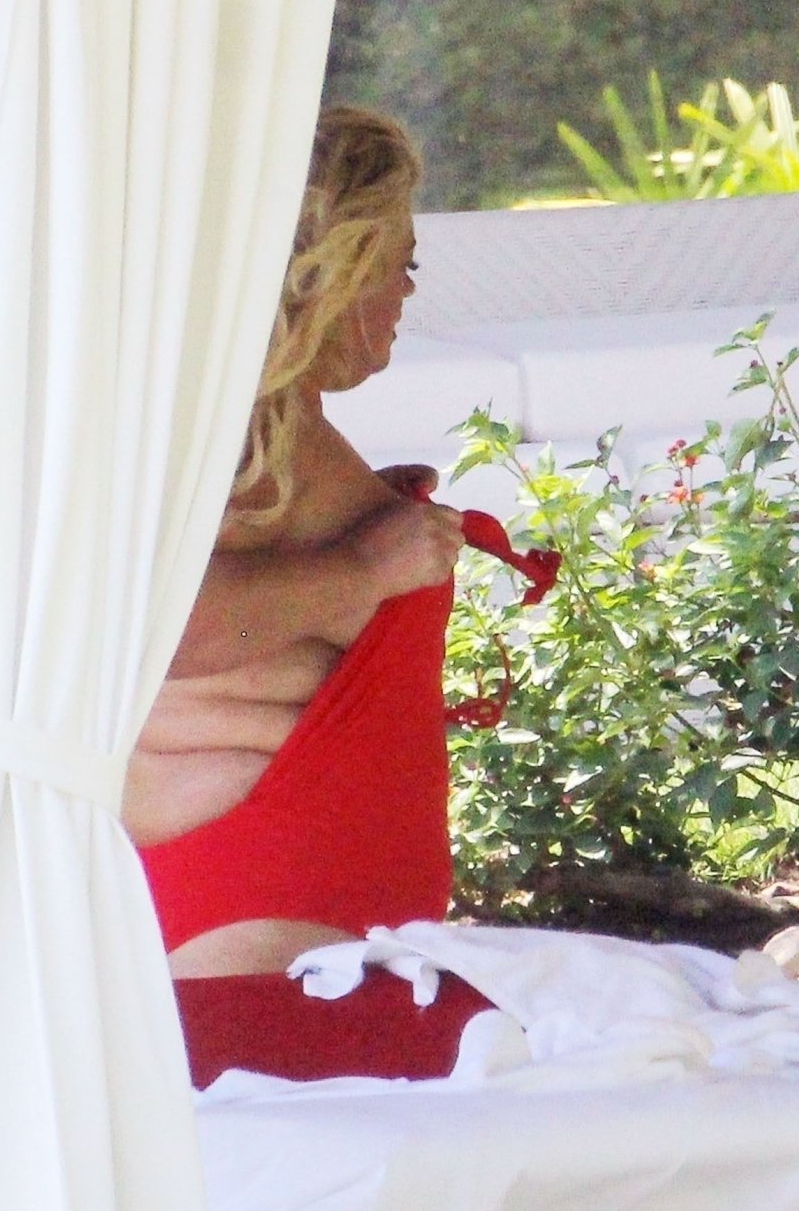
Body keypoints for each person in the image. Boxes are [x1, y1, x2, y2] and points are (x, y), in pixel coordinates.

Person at [125, 106, 550, 1086]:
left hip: (280, 920)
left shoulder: (256, 422)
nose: (407, 290)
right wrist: (363, 570)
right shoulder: (237, 430)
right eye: (400, 261)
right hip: (263, 927)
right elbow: (159, 627)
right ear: (331, 268)